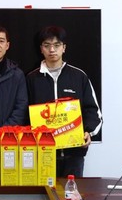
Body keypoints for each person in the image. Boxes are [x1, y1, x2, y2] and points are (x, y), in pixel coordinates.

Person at [26, 26, 103, 177]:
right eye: (47, 45)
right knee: (43, 192)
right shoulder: (31, 79)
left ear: (64, 48)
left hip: (74, 156)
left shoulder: (79, 76)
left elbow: (93, 110)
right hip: (43, 154)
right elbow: (24, 113)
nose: (52, 50)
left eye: (56, 45)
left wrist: (88, 131)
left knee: (71, 192)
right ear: (41, 49)